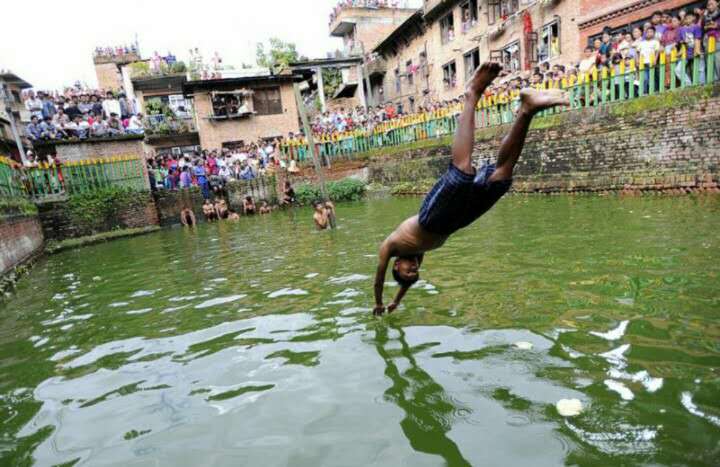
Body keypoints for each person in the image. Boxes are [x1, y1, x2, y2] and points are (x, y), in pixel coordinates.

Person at [372, 62, 569, 316]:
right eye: (414, 272)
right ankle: (527, 110)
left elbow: (378, 278)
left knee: (461, 173)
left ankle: (472, 93)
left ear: (396, 265)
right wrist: (397, 302)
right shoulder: (415, 256)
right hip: (457, 221)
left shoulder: (390, 248)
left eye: (408, 271)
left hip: (431, 218)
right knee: (500, 178)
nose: (414, 269)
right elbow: (407, 284)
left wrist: (379, 302)